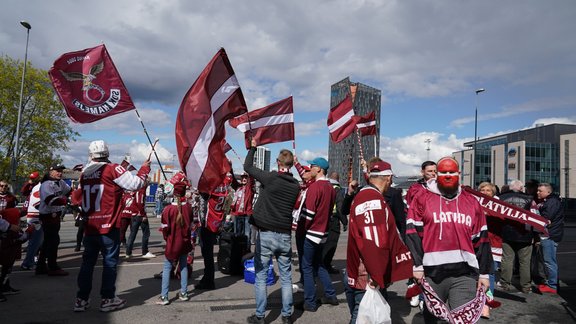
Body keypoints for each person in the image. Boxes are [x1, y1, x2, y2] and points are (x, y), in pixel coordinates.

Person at [406, 157, 492, 324]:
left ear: (459, 174)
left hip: (465, 273)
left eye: (451, 172)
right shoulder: (422, 198)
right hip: (432, 273)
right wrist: (417, 266)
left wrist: (484, 273)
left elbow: (481, 239)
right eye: (443, 172)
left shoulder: (471, 202)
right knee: (433, 320)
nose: (447, 175)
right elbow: (412, 233)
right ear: (436, 174)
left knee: (462, 321)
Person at [74, 140, 150, 313]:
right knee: (109, 264)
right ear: (107, 153)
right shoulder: (111, 168)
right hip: (108, 225)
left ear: (90, 154)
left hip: (90, 226)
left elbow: (77, 198)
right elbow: (136, 184)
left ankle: (81, 299)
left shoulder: (84, 173)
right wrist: (145, 168)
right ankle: (108, 298)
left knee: (87, 264)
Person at [346, 160, 413, 323]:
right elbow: (373, 239)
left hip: (365, 269)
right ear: (388, 178)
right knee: (361, 314)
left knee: (364, 313)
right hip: (368, 272)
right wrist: (376, 274)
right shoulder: (371, 197)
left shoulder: (367, 195)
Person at [244, 139, 300, 324]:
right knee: (286, 277)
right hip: (284, 234)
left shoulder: (270, 178)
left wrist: (252, 147)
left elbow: (247, 166)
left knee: (261, 275)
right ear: (291, 164)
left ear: (278, 162)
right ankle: (286, 315)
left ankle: (260, 316)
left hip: (266, 233)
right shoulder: (295, 185)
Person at [298, 157, 337, 312]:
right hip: (324, 232)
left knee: (307, 267)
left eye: (312, 166)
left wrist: (300, 230)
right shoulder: (330, 187)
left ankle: (310, 302)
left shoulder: (315, 187)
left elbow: (308, 215)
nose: (310, 168)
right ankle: (330, 294)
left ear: (319, 169)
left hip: (312, 232)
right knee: (319, 264)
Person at [195, 168, 237, 291]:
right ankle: (207, 278)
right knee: (208, 253)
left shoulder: (211, 188)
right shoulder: (224, 187)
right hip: (216, 221)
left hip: (207, 223)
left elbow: (202, 195)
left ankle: (208, 281)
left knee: (207, 254)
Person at [497, 180, 536, 294]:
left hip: (507, 232)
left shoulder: (502, 198)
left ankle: (505, 283)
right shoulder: (529, 199)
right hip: (524, 234)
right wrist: (535, 234)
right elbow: (534, 217)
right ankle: (526, 286)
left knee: (507, 259)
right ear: (520, 188)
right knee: (525, 261)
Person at [157, 183, 193, 305]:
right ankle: (184, 293)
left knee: (167, 268)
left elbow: (164, 229)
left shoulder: (168, 210)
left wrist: (167, 238)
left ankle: (164, 296)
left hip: (172, 243)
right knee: (183, 266)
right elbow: (191, 224)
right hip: (185, 242)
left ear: (173, 193)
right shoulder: (188, 207)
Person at [36, 164, 71, 276]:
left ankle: (41, 266)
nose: (60, 173)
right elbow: (50, 200)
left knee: (48, 242)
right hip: (48, 216)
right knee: (53, 242)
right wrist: (66, 200)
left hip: (55, 216)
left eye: (61, 171)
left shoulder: (60, 183)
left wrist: (74, 195)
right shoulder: (47, 184)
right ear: (50, 172)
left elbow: (69, 191)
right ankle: (52, 267)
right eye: (57, 171)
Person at [478, 182, 502, 319]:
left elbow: (502, 221)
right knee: (475, 274)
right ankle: (475, 302)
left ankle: (486, 303)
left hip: (493, 243)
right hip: (476, 243)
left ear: (493, 192)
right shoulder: (474, 202)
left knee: (490, 274)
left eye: (488, 190)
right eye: (482, 190)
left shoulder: (500, 206)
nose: (485, 192)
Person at [537, 183, 564, 294]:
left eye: (540, 191)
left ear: (548, 192)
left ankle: (552, 285)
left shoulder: (551, 202)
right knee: (548, 261)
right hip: (550, 234)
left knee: (549, 262)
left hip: (550, 235)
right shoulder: (549, 201)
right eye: (537, 190)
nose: (537, 192)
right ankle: (551, 283)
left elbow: (546, 219)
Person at [323, 171, 347, 274]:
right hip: (333, 220)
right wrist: (345, 221)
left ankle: (320, 265)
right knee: (331, 244)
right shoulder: (337, 189)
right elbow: (340, 207)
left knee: (323, 243)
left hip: (322, 219)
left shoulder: (324, 186)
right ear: (338, 180)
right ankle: (325, 265)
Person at [125, 185, 155, 259]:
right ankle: (145, 251)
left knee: (133, 234)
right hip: (139, 215)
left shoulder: (136, 190)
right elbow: (140, 203)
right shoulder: (141, 191)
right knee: (146, 233)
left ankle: (128, 252)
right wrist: (143, 215)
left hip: (134, 215)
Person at [20, 182, 43, 270]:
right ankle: (28, 263)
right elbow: (37, 204)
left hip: (35, 216)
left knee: (38, 242)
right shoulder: (39, 188)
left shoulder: (36, 189)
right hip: (36, 217)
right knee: (35, 242)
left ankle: (33, 261)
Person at [230, 171, 255, 250]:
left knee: (247, 234)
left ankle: (247, 250)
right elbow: (233, 180)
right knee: (237, 234)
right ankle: (237, 250)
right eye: (243, 177)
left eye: (246, 177)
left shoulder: (249, 188)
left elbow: (251, 180)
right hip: (237, 214)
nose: (244, 179)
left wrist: (249, 172)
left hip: (246, 215)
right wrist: (230, 168)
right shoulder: (238, 187)